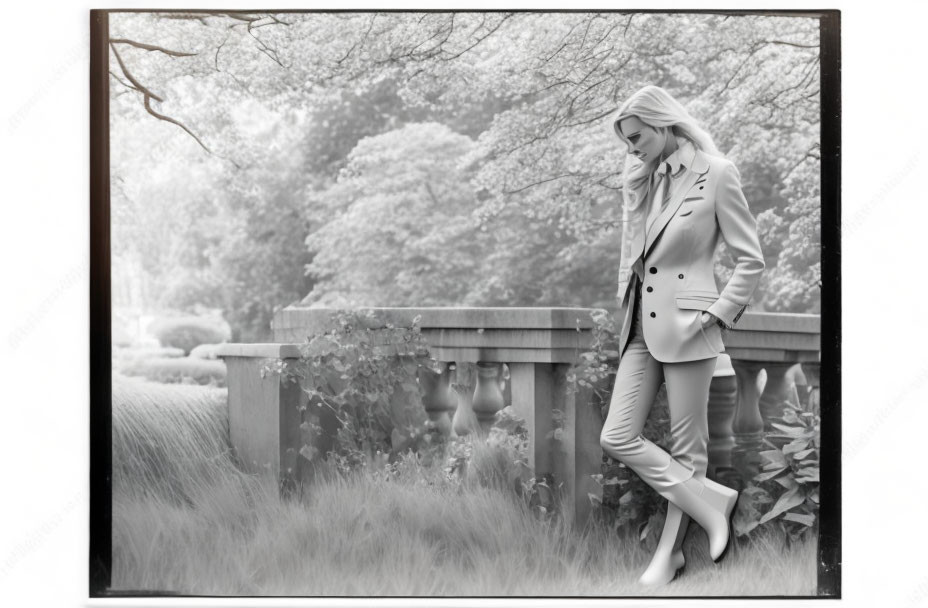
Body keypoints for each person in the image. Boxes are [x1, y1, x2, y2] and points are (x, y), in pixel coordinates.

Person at [604, 85, 765, 586]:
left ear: (663, 124)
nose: (632, 149)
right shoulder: (644, 179)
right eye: (626, 142)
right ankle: (713, 504)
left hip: (691, 324)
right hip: (639, 325)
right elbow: (636, 259)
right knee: (617, 435)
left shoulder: (717, 173)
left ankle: (668, 557)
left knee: (686, 449)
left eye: (637, 138)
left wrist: (716, 314)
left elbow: (750, 258)